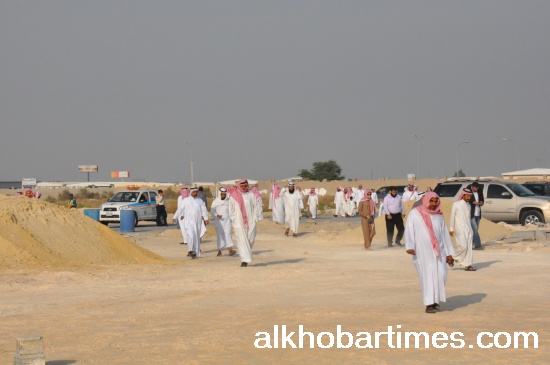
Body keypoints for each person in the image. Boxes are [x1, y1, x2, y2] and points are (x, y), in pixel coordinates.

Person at [405, 192, 455, 314]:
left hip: (439, 251)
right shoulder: (415, 213)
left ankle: (435, 300)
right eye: (431, 201)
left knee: (441, 274)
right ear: (426, 200)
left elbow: (444, 235)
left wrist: (449, 253)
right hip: (423, 252)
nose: (433, 204)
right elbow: (409, 229)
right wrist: (410, 246)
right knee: (427, 277)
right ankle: (429, 304)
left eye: (435, 201)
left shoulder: (439, 216)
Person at [229, 179, 260, 267]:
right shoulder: (233, 196)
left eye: (245, 185)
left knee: (251, 238)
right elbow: (230, 210)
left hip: (251, 220)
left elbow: (255, 207)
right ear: (239, 185)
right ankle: (244, 260)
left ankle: (246, 256)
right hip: (239, 222)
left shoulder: (251, 194)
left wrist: (255, 218)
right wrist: (234, 219)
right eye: (241, 185)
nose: (243, 187)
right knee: (242, 241)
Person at [173, 187, 209, 259]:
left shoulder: (200, 201)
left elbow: (204, 210)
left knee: (196, 237)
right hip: (188, 222)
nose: (196, 193)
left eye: (196, 192)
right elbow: (180, 209)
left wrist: (206, 218)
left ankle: (194, 252)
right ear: (191, 192)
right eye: (194, 192)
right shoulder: (186, 200)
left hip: (197, 223)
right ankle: (190, 250)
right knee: (191, 236)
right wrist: (175, 217)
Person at [450, 188, 476, 271]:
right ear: (463, 195)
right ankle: (452, 257)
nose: (469, 198)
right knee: (463, 247)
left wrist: (471, 229)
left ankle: (468, 265)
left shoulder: (469, 205)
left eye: (470, 196)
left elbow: (468, 218)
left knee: (469, 248)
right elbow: (452, 216)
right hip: (459, 228)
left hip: (468, 228)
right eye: (467, 196)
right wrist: (451, 228)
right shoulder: (456, 204)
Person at [210, 187, 237, 257]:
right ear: (219, 194)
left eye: (224, 194)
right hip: (219, 222)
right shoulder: (215, 202)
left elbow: (232, 209)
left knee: (228, 233)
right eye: (222, 194)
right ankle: (219, 250)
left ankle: (230, 250)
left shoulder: (228, 201)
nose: (223, 196)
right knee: (220, 236)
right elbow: (212, 211)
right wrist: (216, 215)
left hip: (227, 221)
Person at [468, 181, 484, 250]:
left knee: (476, 230)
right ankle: (477, 244)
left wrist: (481, 202)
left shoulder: (479, 191)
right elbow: (468, 200)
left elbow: (482, 199)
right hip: (472, 214)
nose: (476, 189)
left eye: (477, 188)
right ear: (472, 187)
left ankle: (472, 243)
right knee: (474, 230)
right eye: (475, 188)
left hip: (478, 213)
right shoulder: (469, 192)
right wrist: (473, 202)